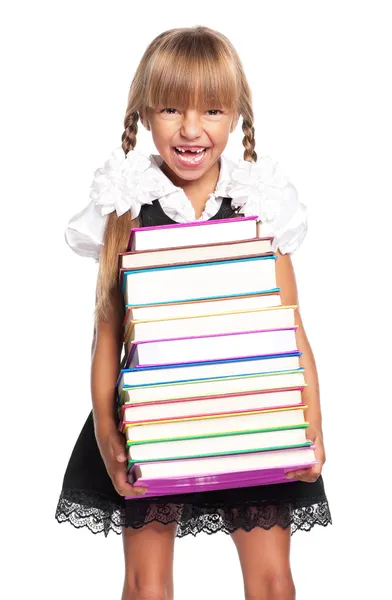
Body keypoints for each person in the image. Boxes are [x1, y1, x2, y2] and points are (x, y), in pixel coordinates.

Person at [55, 25, 332, 600]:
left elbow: (291, 329)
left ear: (236, 118)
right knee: (146, 582)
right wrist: (109, 436)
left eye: (212, 110)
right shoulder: (125, 211)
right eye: (170, 108)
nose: (191, 128)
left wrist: (313, 426)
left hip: (254, 412)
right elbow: (107, 336)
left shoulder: (260, 205)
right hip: (150, 422)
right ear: (143, 114)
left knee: (273, 578)